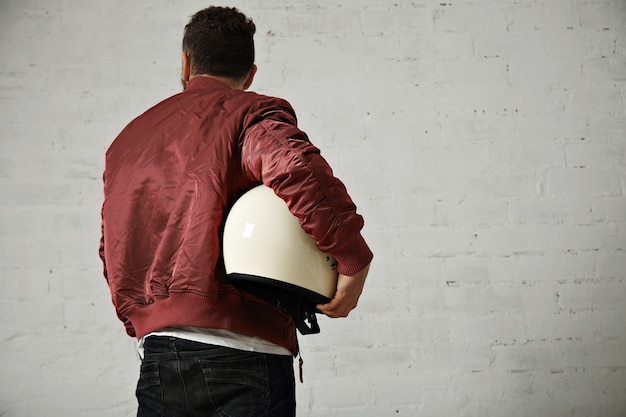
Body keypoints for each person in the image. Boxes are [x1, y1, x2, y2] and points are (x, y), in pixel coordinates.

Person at [99, 6, 373, 417]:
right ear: (250, 73)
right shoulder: (246, 115)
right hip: (242, 355)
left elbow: (112, 246)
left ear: (186, 62)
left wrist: (149, 319)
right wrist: (353, 257)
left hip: (158, 358)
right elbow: (296, 169)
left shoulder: (127, 142)